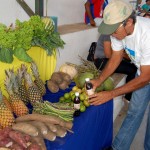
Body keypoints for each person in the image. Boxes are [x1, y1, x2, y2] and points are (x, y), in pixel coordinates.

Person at [88, 0, 150, 150]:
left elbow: (146, 77)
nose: (112, 34)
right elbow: (116, 57)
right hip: (143, 71)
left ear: (128, 22)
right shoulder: (118, 34)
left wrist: (111, 94)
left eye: (114, 30)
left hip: (146, 73)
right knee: (134, 112)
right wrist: (100, 80)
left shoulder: (147, 34)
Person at [94, 34, 137, 101]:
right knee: (132, 69)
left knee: (133, 66)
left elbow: (120, 53)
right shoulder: (107, 34)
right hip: (101, 61)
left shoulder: (117, 35)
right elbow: (108, 55)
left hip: (109, 59)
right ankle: (128, 97)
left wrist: (126, 56)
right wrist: (124, 55)